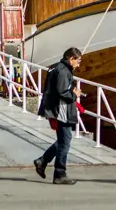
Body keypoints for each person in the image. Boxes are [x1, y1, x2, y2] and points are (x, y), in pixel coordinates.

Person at [35, 47, 82, 185]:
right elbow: (62, 92)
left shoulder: (55, 67)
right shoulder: (63, 71)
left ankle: (42, 161)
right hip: (61, 109)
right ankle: (59, 174)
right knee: (65, 142)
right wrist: (75, 94)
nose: (78, 65)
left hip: (54, 108)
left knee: (63, 140)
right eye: (78, 61)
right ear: (71, 58)